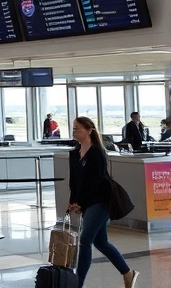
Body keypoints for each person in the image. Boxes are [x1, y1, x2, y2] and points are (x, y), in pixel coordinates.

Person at [68, 116, 139, 288]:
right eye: (73, 127)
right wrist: (72, 202)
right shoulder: (74, 153)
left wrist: (81, 203)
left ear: (89, 130)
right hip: (86, 201)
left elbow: (96, 181)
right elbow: (75, 181)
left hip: (101, 200)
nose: (74, 130)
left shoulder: (97, 153)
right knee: (101, 242)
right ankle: (128, 273)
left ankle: (78, 284)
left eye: (77, 128)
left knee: (85, 240)